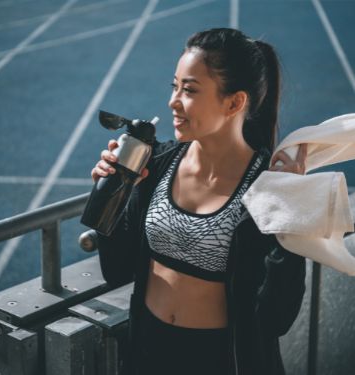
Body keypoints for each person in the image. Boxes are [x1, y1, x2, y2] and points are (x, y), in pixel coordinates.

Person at [91, 28, 307, 375]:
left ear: (235, 102)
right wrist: (109, 191)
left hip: (222, 361)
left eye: (189, 90)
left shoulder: (268, 189)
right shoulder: (156, 164)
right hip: (147, 354)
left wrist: (291, 226)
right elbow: (116, 270)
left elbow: (276, 318)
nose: (173, 101)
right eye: (174, 86)